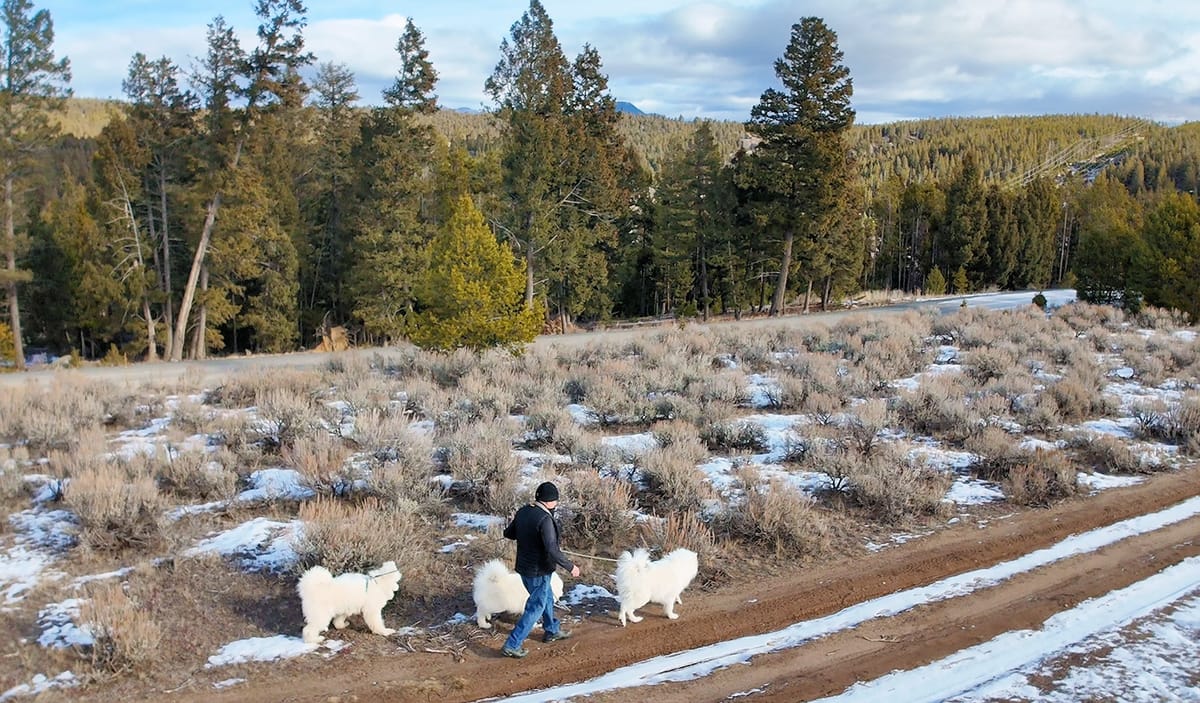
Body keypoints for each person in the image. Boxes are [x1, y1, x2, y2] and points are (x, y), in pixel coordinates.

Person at [499, 481, 581, 658]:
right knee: (536, 606)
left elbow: (509, 533)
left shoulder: (524, 510)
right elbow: (552, 550)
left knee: (547, 597)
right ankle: (513, 644)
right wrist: (571, 567)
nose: (557, 504)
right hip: (539, 571)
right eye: (556, 501)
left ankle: (552, 630)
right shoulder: (545, 519)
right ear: (550, 501)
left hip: (524, 568)